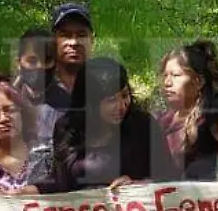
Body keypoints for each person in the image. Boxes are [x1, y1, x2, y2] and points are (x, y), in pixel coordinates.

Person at [36, 57, 167, 191]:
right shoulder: (67, 128)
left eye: (124, 95)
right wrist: (36, 189)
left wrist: (138, 185)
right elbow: (61, 181)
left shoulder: (143, 125)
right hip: (84, 209)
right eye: (111, 100)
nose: (121, 106)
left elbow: (168, 176)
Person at [159, 41, 218, 174]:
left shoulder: (210, 120)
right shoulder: (161, 121)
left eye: (176, 75)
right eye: (165, 75)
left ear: (198, 82)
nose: (167, 82)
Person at [38, 2, 94, 144]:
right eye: (65, 35)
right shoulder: (37, 90)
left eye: (81, 35)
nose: (74, 42)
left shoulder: (107, 90)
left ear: (92, 40)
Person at [10, 26, 54, 131]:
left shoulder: (69, 103)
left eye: (47, 60)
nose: (40, 66)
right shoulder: (4, 102)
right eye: (32, 61)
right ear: (18, 63)